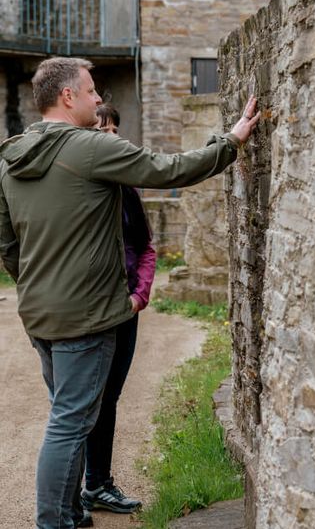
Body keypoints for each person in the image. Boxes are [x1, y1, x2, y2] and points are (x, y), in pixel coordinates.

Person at [0, 57, 259, 529]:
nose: (99, 99)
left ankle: (72, 515)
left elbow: (7, 245)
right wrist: (231, 140)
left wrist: (38, 285)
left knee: (70, 417)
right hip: (87, 316)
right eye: (92, 90)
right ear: (68, 97)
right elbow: (169, 170)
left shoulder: (10, 155)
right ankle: (52, 523)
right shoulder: (89, 147)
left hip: (39, 313)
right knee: (69, 424)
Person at [77, 103, 155, 524]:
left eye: (114, 130)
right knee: (79, 405)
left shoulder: (127, 184)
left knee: (109, 399)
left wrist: (139, 296)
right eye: (101, 128)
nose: (109, 136)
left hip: (126, 309)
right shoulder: (83, 185)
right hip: (90, 309)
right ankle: (70, 500)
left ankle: (98, 484)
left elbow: (145, 245)